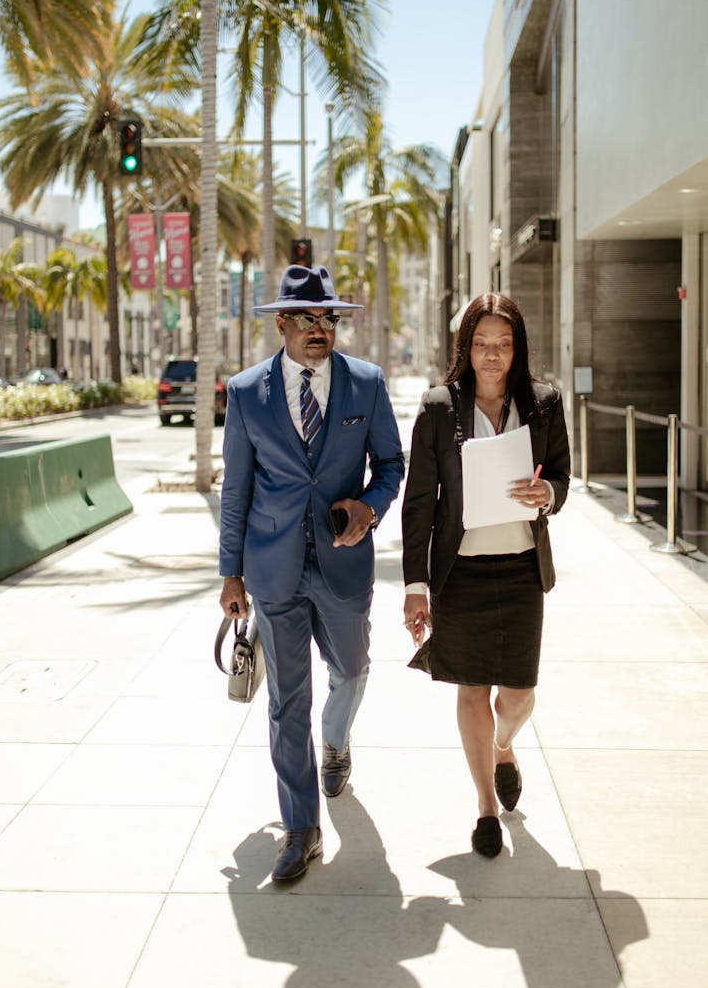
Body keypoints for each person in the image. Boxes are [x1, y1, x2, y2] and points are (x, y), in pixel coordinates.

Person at [219, 264, 405, 882]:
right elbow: (237, 492)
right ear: (281, 324)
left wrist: (370, 508)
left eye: (327, 317)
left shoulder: (366, 385)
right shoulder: (246, 393)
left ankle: (337, 743)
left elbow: (390, 465)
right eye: (304, 318)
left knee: (351, 671)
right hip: (273, 572)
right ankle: (301, 830)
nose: (318, 328)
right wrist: (231, 576)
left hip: (343, 563)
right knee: (285, 702)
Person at [401, 292, 570, 858]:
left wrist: (547, 492)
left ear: (517, 348)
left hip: (522, 568)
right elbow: (419, 503)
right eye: (480, 344)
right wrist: (416, 586)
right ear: (465, 348)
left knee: (518, 694)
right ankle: (485, 808)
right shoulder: (438, 408)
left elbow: (565, 477)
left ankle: (503, 746)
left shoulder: (544, 403)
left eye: (502, 344)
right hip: (461, 574)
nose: (491, 355)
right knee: (472, 689)